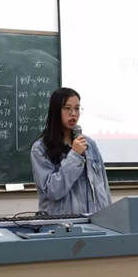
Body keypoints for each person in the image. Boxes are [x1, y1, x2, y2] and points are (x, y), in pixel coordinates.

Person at [31, 87, 112, 215]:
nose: (73, 113)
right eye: (67, 108)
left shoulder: (89, 145)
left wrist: (110, 216)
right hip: (63, 222)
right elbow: (53, 191)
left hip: (95, 221)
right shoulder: (40, 148)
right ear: (56, 111)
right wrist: (75, 156)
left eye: (77, 108)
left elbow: (104, 188)